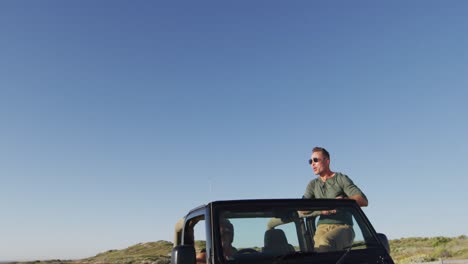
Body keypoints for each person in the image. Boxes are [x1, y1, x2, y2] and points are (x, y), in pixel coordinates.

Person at [302, 147, 368, 252]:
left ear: (327, 161)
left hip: (343, 227)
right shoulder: (312, 185)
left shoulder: (341, 178)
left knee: (324, 242)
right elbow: (302, 209)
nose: (312, 164)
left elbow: (363, 200)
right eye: (310, 161)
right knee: (317, 251)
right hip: (321, 228)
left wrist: (342, 201)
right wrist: (322, 211)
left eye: (315, 160)